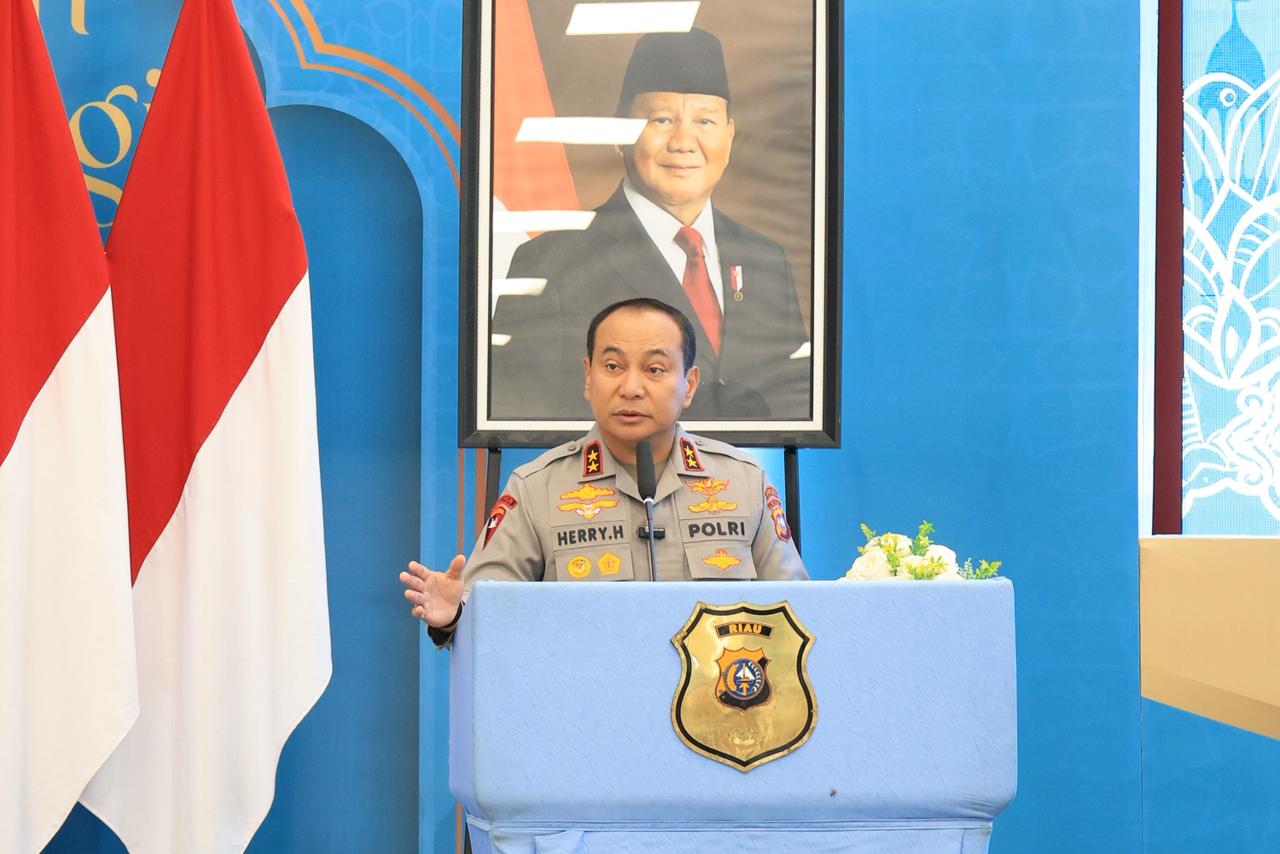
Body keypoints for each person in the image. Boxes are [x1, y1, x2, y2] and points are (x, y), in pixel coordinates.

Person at [404, 298, 807, 640]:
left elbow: (800, 614)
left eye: (654, 369)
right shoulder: (536, 488)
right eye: (613, 366)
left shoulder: (743, 482)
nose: (630, 388)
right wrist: (455, 614)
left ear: (689, 384)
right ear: (588, 376)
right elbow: (485, 614)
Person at [489, 27, 810, 422]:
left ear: (729, 137)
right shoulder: (550, 262)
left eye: (705, 121)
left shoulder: (766, 260)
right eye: (661, 119)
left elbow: (792, 400)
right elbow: (519, 415)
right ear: (620, 134)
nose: (683, 142)